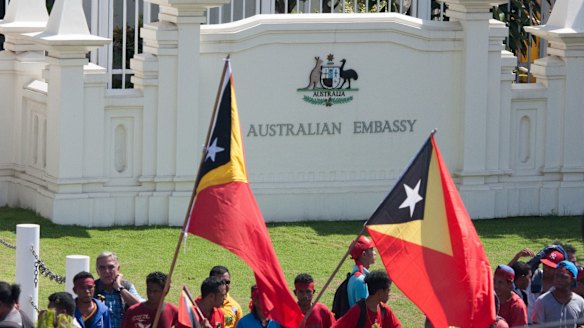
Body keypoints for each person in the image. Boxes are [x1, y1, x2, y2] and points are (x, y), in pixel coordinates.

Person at [333, 270, 401, 328]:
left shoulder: (384, 310)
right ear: (379, 292)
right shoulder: (357, 310)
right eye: (388, 290)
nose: (389, 294)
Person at [94, 252, 143, 328]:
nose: (107, 271)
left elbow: (142, 307)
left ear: (118, 269)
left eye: (111, 267)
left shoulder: (126, 286)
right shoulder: (92, 288)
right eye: (102, 268)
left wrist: (120, 288)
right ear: (97, 271)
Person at [532, 261, 584, 326]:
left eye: (563, 277)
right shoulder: (542, 301)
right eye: (557, 276)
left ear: (572, 280)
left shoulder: (580, 302)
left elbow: (581, 324)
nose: (559, 279)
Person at [347, 236, 376, 307]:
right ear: (364, 254)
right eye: (371, 249)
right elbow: (364, 310)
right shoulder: (361, 280)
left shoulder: (357, 277)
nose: (374, 253)